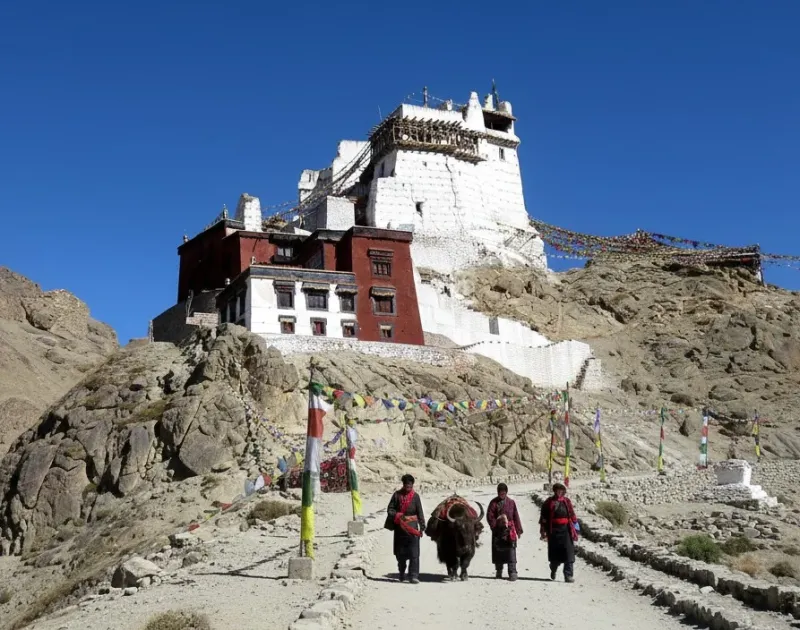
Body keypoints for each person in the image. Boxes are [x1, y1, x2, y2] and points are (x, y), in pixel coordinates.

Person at [386, 474, 426, 584]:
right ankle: (402, 572)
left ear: (412, 485)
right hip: (400, 529)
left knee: (414, 553)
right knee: (400, 554)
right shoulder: (396, 495)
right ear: (403, 484)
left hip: (413, 529)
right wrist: (398, 515)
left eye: (410, 485)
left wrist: (422, 526)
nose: (408, 486)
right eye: (406, 484)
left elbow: (420, 512)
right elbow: (390, 509)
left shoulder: (415, 497)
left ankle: (413, 576)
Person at [539, 482, 579, 583]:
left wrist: (576, 525)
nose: (560, 492)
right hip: (553, 531)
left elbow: (572, 514)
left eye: (562, 491)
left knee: (569, 553)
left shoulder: (567, 501)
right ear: (555, 491)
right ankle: (553, 568)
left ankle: (568, 575)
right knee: (555, 554)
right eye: (558, 490)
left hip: (566, 530)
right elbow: (543, 518)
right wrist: (543, 530)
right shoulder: (548, 502)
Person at [486, 483, 523, 580]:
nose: (502, 494)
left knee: (511, 550)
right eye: (500, 492)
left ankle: (512, 572)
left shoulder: (511, 502)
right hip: (498, 530)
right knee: (498, 551)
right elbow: (490, 516)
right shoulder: (493, 503)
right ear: (498, 492)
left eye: (504, 492)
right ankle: (499, 570)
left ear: (506, 492)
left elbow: (515, 516)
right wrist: (495, 526)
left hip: (509, 530)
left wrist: (518, 530)